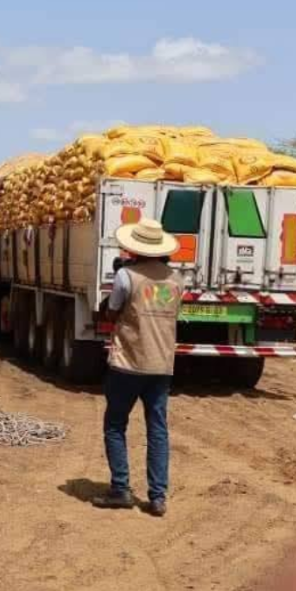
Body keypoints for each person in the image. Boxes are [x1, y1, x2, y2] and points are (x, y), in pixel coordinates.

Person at [92, 218, 183, 517]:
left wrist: (106, 304)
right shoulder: (176, 279)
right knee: (158, 429)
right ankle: (157, 497)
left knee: (115, 425)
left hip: (128, 362)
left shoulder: (126, 276)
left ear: (135, 248)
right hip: (162, 364)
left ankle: (121, 489)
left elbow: (113, 310)